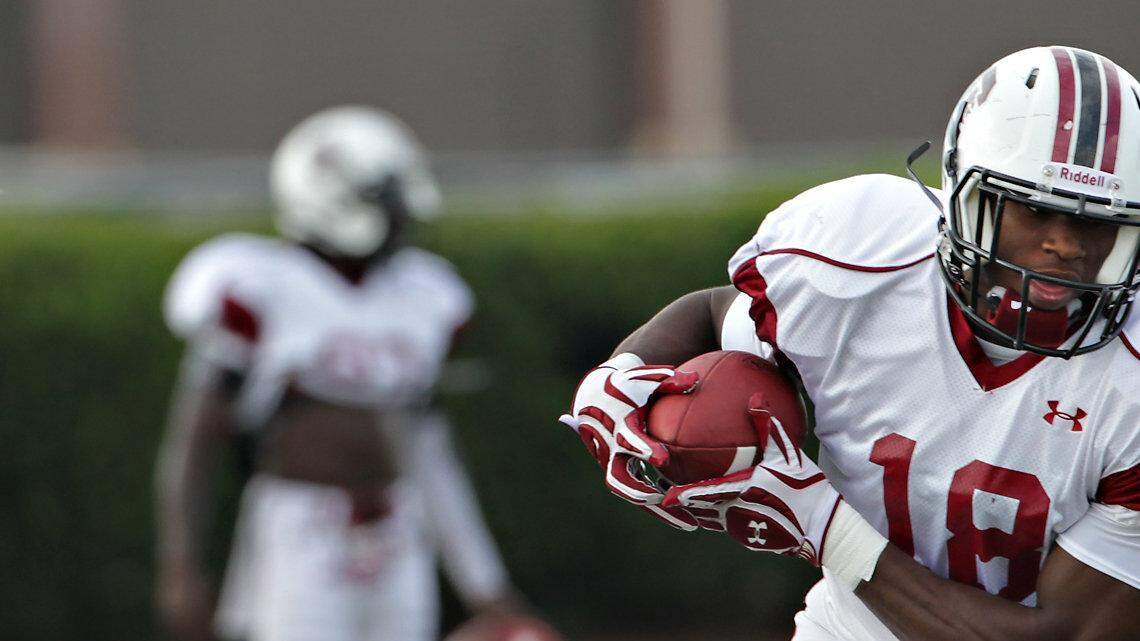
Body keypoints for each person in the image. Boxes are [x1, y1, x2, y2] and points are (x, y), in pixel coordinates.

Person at [561, 46, 1140, 640]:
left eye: (1098, 222)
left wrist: (824, 527)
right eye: (1033, 210)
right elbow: (716, 315)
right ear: (964, 197)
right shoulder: (863, 262)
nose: (1065, 246)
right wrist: (618, 380)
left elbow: (1068, 635)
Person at [155, 106, 556, 641]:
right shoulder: (259, 286)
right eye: (387, 202)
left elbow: (430, 452)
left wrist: (488, 588)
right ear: (330, 198)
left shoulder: (423, 293)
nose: (404, 216)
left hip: (398, 531)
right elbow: (193, 443)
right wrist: (181, 567)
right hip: (299, 534)